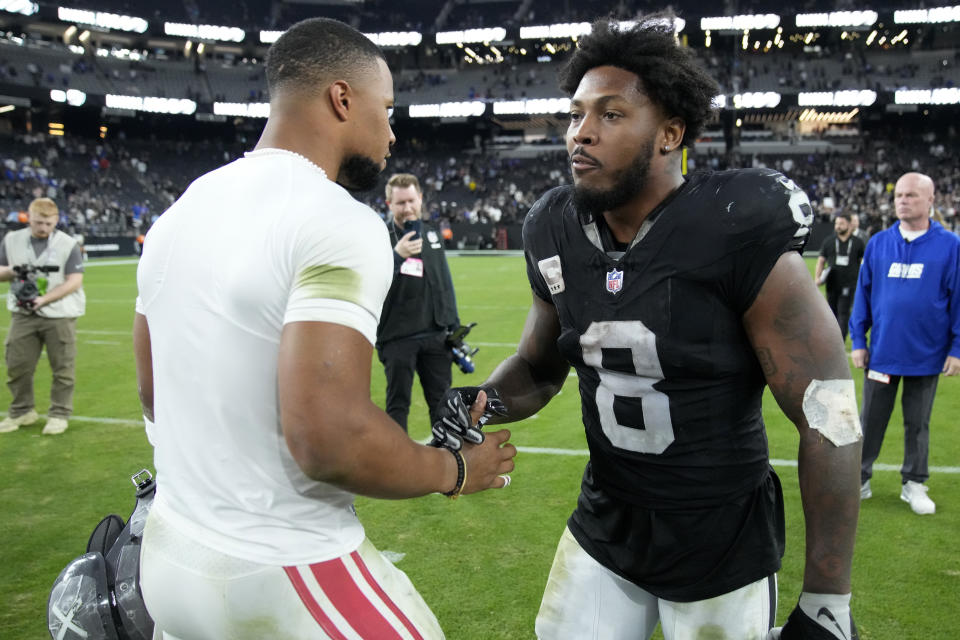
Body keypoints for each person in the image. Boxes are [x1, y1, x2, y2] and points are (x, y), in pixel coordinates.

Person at [431, 17, 861, 640]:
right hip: (607, 518)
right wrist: (481, 401)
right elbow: (537, 367)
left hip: (720, 535)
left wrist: (827, 599)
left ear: (670, 134)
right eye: (576, 114)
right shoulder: (552, 227)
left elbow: (829, 413)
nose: (580, 133)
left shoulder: (733, 224)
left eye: (609, 115)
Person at [134, 18, 515, 639]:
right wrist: (456, 469)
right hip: (278, 565)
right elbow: (329, 439)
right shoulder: (337, 219)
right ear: (342, 98)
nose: (391, 133)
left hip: (169, 559)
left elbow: (152, 391)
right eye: (386, 110)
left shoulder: (183, 208)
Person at [849, 171, 960, 516]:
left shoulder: (951, 246)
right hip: (881, 355)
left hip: (926, 357)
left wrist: (957, 349)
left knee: (918, 423)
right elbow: (862, 297)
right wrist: (858, 340)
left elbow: (959, 299)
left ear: (930, 200)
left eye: (911, 195)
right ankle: (859, 480)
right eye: (898, 195)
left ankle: (914, 483)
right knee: (871, 420)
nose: (902, 200)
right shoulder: (878, 243)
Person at [376, 173, 460, 430]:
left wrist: (455, 328)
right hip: (398, 337)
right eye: (400, 203)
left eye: (412, 200)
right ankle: (394, 467)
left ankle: (447, 462)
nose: (408, 207)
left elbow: (444, 283)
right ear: (389, 204)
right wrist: (397, 256)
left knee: (442, 405)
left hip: (435, 335)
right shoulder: (378, 236)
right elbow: (372, 282)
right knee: (398, 405)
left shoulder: (432, 235)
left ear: (421, 199)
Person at [0, 197, 85, 436]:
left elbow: (75, 281)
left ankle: (59, 414)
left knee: (63, 367)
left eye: (48, 224)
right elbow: (1, 271)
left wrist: (44, 299)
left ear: (56, 220)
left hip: (60, 313)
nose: (43, 228)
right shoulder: (11, 240)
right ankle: (21, 411)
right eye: (38, 223)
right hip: (23, 312)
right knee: (17, 364)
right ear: (29, 217)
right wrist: (14, 271)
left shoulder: (68, 243)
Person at [815, 213, 865, 340]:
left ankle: (839, 340)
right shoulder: (829, 241)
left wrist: (864, 280)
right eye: (836, 223)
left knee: (843, 311)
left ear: (848, 224)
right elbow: (821, 261)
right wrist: (817, 277)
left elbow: (863, 263)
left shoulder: (858, 243)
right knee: (832, 312)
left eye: (841, 223)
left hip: (849, 283)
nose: (838, 226)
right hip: (832, 283)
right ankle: (832, 339)